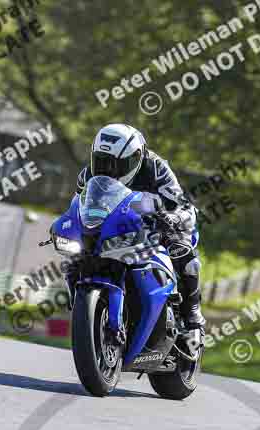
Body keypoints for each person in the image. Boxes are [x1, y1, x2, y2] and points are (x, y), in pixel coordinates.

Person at [75, 123, 205, 343]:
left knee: (181, 249)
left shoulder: (156, 167)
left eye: (117, 165)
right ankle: (82, 304)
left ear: (136, 158)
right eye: (102, 162)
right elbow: (77, 205)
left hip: (156, 223)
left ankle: (192, 311)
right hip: (115, 227)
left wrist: (171, 217)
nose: (109, 171)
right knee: (76, 251)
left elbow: (178, 202)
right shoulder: (87, 175)